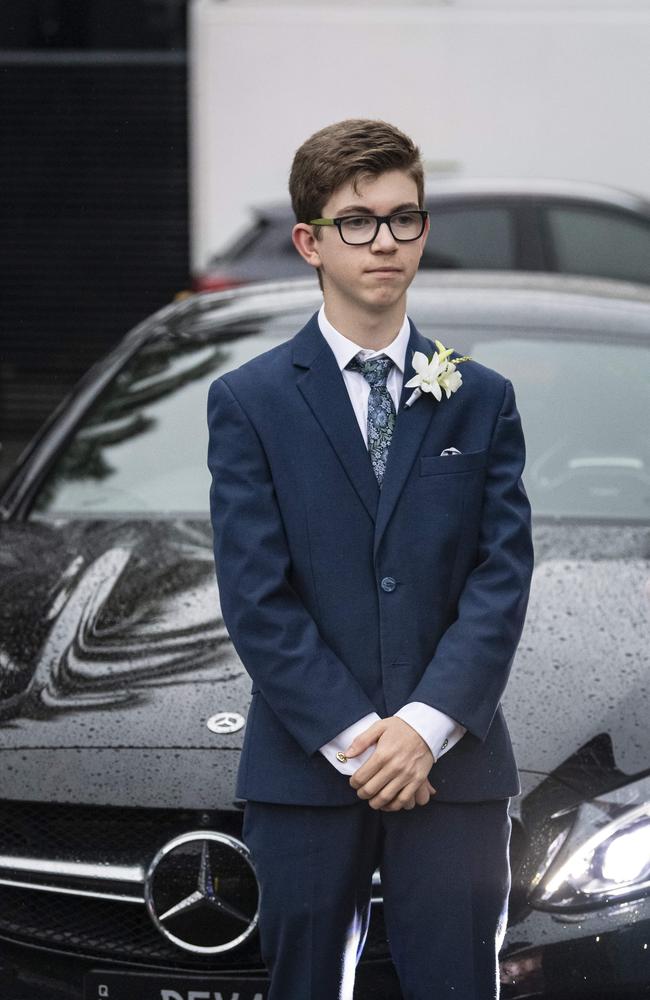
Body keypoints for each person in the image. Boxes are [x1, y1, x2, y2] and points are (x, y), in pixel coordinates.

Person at [206, 118, 534, 999]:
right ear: (310, 241)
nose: (384, 241)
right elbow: (256, 595)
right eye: (358, 221)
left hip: (452, 770)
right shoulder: (249, 402)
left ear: (424, 229)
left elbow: (500, 582)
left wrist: (424, 731)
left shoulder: (482, 400)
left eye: (404, 218)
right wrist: (363, 743)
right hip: (308, 765)